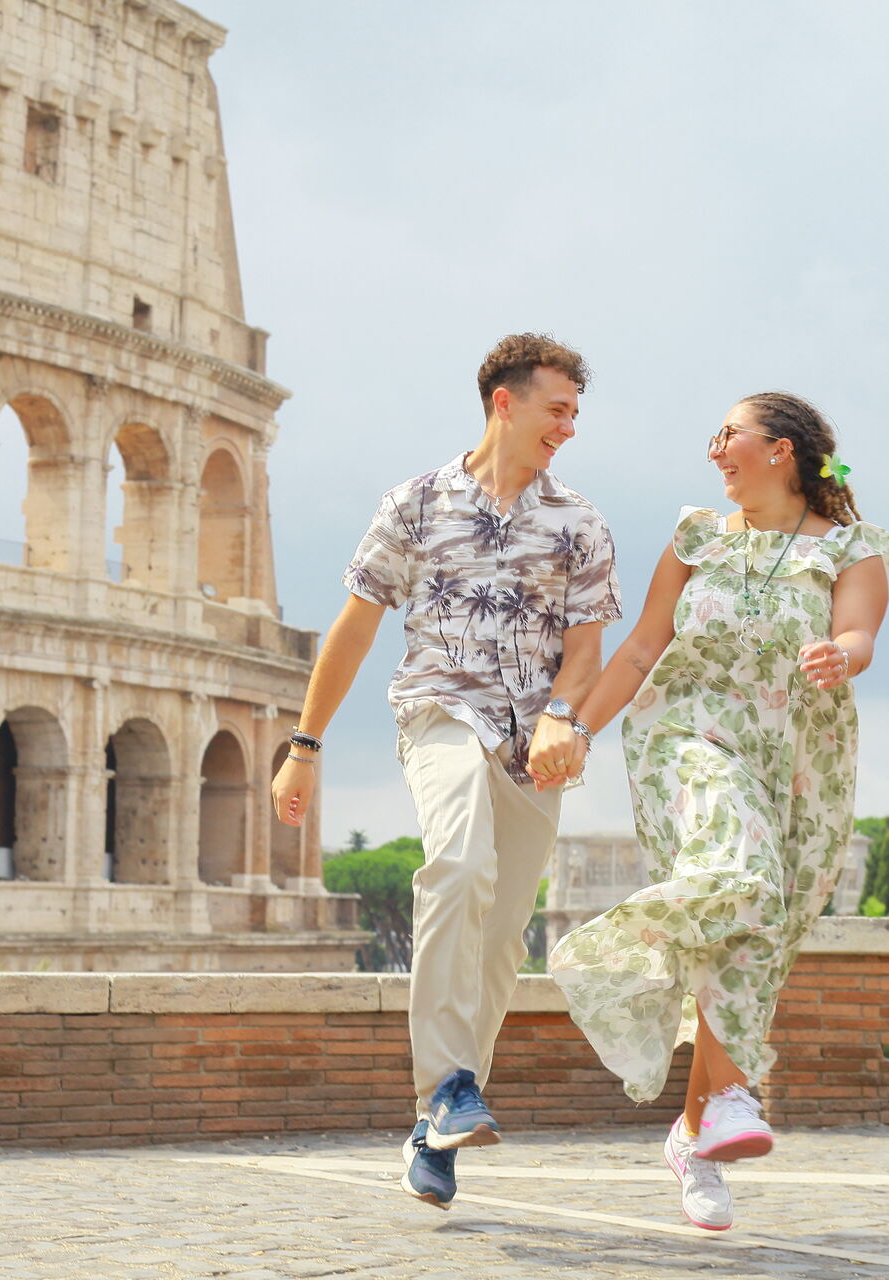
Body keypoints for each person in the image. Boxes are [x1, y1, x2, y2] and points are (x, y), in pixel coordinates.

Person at [269, 334, 620, 1209]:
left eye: (577, 413)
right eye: (558, 409)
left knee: (503, 939)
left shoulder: (579, 522)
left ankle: (441, 1119)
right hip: (439, 713)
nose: (569, 427)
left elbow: (586, 654)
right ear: (506, 401)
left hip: (535, 745)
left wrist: (562, 718)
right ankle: (444, 1087)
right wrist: (303, 747)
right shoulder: (415, 503)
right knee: (458, 864)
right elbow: (352, 630)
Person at [549, 391, 889, 1232]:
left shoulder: (853, 550)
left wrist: (837, 656)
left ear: (780, 450)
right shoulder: (697, 535)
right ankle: (730, 1088)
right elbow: (642, 648)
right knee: (740, 876)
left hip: (798, 759)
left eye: (728, 435)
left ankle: (699, 1130)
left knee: (754, 927)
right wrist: (575, 728)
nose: (715, 450)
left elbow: (860, 635)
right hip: (687, 734)